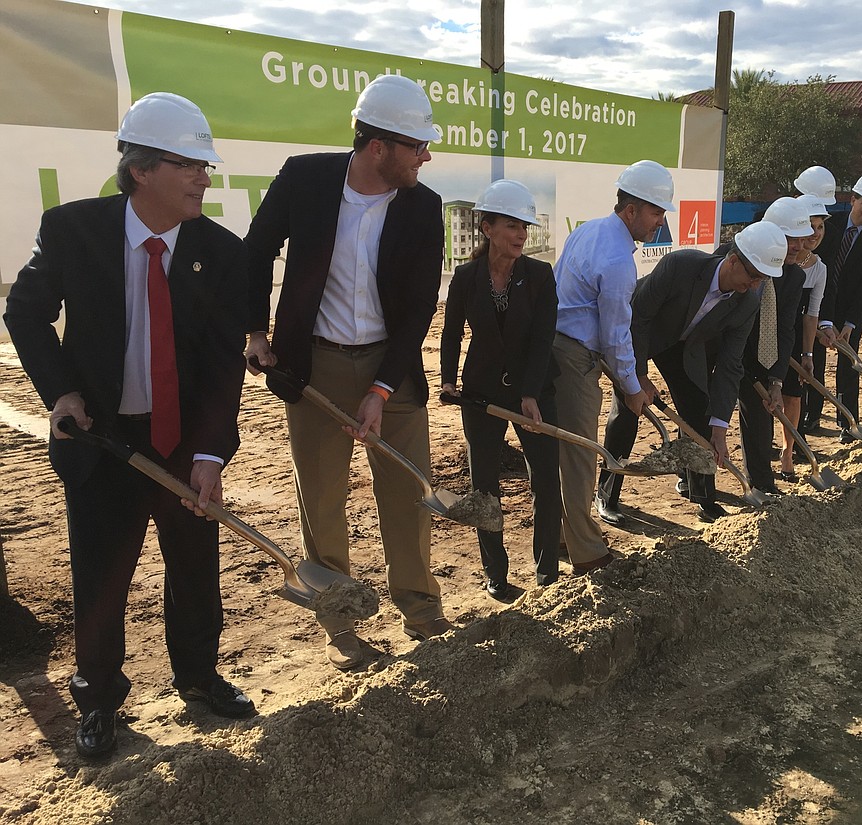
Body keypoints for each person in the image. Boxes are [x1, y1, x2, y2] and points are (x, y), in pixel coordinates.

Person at [4, 92, 254, 759]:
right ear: (142, 170)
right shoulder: (72, 232)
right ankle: (100, 700)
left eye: (205, 164)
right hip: (103, 439)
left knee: (196, 565)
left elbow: (221, 367)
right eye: (191, 164)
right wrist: (62, 393)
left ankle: (199, 678)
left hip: (181, 441)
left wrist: (210, 455)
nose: (206, 176)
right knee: (102, 574)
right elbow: (25, 314)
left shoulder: (220, 252)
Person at [244, 74, 451, 670]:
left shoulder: (423, 205)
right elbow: (256, 250)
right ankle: (339, 611)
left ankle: (419, 604)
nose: (427, 157)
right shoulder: (305, 178)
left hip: (393, 366)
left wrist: (383, 388)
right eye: (418, 146)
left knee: (408, 487)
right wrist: (257, 334)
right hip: (315, 363)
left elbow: (417, 307)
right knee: (323, 494)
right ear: (378, 146)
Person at [597, 221, 788, 523]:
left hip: (684, 347)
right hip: (640, 334)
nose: (754, 286)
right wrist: (639, 377)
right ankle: (607, 494)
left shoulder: (747, 302)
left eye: (761, 280)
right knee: (628, 411)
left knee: (700, 413)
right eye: (753, 276)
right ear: (734, 260)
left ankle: (701, 495)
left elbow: (730, 364)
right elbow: (640, 317)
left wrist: (720, 426)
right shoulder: (681, 266)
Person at [440, 180, 561, 599]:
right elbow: (452, 332)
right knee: (484, 487)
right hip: (481, 394)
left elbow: (544, 338)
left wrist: (529, 394)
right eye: (512, 226)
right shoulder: (467, 276)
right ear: (486, 227)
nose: (521, 235)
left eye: (524, 227)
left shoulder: (541, 275)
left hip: (535, 392)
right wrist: (447, 380)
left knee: (546, 479)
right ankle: (496, 573)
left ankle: (547, 571)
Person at [553, 160, 674, 570]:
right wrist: (632, 386)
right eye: (656, 212)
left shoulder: (587, 230)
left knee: (563, 452)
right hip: (575, 359)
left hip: (560, 348)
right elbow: (616, 335)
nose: (660, 222)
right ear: (631, 210)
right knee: (581, 454)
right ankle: (586, 552)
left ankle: (556, 538)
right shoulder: (619, 262)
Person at [732, 198, 810, 495]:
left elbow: (785, 329)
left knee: (760, 413)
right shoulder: (740, 259)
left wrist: (776, 379)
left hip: (759, 357)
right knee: (706, 413)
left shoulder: (795, 277)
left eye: (801, 240)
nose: (798, 247)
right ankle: (696, 484)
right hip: (723, 348)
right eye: (791, 239)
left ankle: (761, 483)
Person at [806, 171, 862, 441]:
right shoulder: (829, 225)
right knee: (813, 360)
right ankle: (812, 414)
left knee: (849, 366)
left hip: (850, 311)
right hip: (817, 303)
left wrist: (851, 323)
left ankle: (848, 422)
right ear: (853, 199)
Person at [778, 194, 831, 479]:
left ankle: (788, 450)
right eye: (810, 226)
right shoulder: (780, 259)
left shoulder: (819, 268)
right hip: (771, 333)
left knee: (794, 398)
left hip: (798, 337)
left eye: (820, 227)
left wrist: (807, 354)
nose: (815, 233)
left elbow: (812, 314)